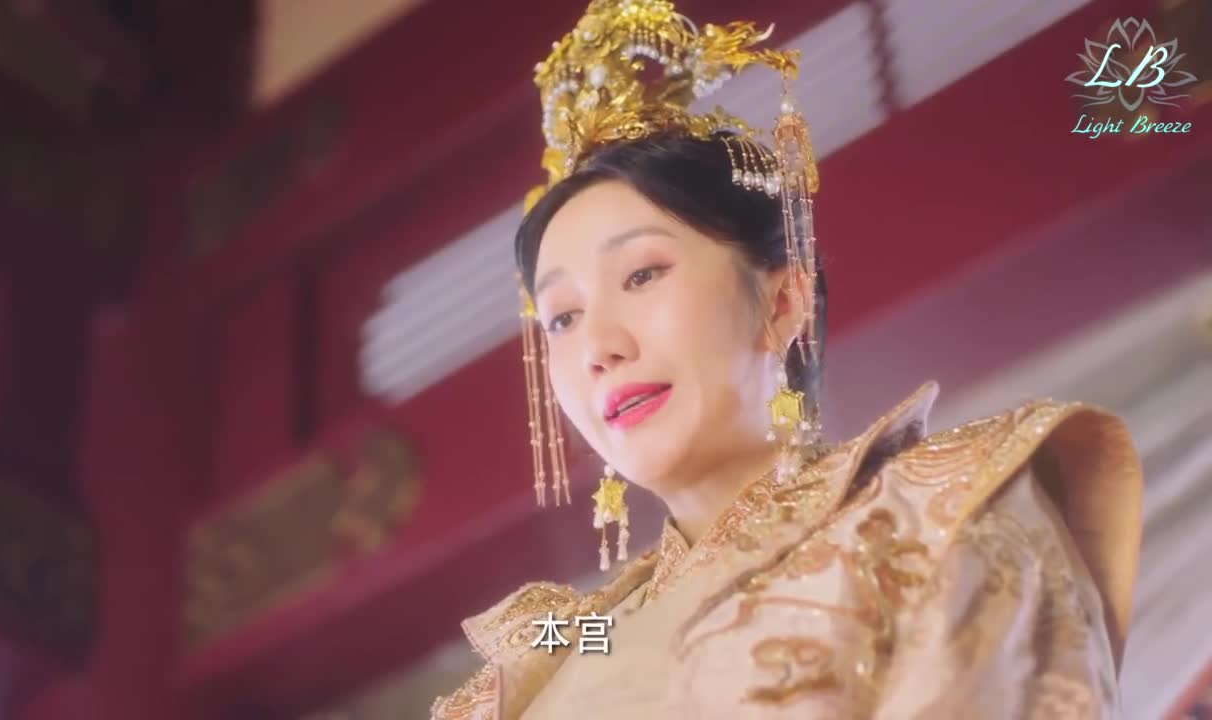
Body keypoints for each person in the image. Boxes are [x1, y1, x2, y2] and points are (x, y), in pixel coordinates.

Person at [430, 1, 1143, 717]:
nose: (598, 347)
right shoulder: (561, 644)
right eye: (562, 317)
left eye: (642, 274)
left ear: (780, 303)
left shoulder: (937, 520)